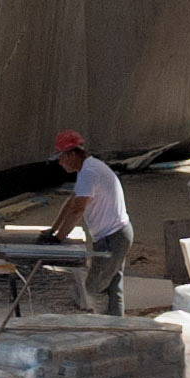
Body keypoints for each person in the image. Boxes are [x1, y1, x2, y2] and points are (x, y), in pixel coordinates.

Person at [41, 130, 131, 317]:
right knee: (112, 286)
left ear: (72, 154)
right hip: (117, 234)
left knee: (93, 288)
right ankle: (116, 328)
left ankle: (106, 326)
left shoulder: (89, 172)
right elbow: (71, 202)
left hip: (112, 237)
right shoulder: (89, 169)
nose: (59, 162)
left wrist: (58, 238)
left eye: (61, 157)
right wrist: (53, 230)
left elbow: (77, 210)